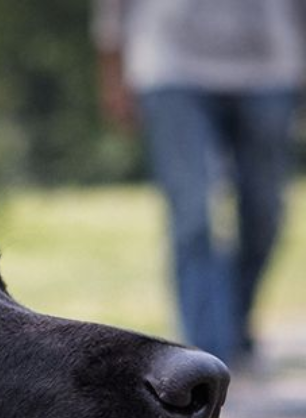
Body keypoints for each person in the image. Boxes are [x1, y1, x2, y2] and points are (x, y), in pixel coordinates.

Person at [94, 0, 305, 369]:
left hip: (270, 66)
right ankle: (206, 352)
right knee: (193, 216)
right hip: (169, 64)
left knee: (264, 212)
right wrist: (112, 71)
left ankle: (234, 326)